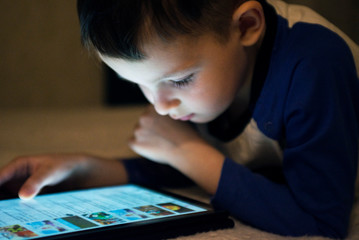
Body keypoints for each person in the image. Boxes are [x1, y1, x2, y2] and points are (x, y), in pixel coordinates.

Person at [0, 0, 358, 238]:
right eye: (139, 84)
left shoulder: (315, 66)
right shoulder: (212, 81)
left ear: (247, 25)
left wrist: (187, 151)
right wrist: (79, 168)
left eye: (179, 80)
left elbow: (320, 221)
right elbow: (212, 161)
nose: (159, 105)